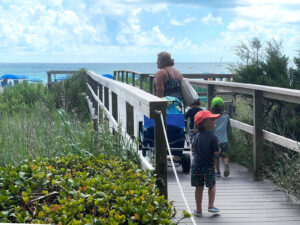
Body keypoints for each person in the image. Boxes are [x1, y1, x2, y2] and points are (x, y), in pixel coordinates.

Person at [191, 110, 221, 217]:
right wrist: (219, 151)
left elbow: (193, 150)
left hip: (196, 166)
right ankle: (211, 205)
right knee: (211, 185)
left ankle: (198, 210)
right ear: (205, 123)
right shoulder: (213, 138)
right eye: (211, 119)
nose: (214, 120)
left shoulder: (196, 136)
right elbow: (216, 153)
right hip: (209, 166)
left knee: (199, 187)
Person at [211, 97, 232, 177]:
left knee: (216, 157)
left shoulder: (211, 117)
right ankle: (226, 164)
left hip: (215, 141)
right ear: (222, 107)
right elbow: (229, 129)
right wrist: (228, 135)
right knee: (224, 155)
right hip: (224, 140)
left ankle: (218, 171)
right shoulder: (226, 117)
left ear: (212, 107)